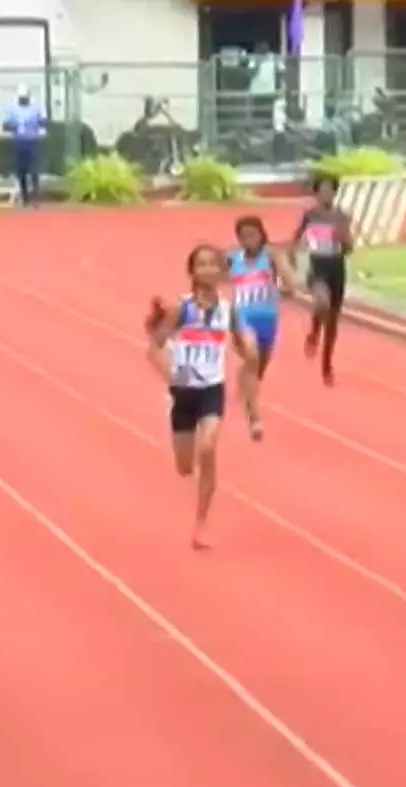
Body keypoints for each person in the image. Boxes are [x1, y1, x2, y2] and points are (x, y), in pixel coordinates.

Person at [145, 244, 257, 550]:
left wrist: (249, 351)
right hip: (183, 394)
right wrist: (170, 374)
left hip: (211, 390)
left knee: (208, 448)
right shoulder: (181, 310)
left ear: (222, 272)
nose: (207, 269)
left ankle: (202, 523)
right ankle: (191, 470)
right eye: (201, 264)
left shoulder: (228, 311)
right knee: (184, 468)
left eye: (213, 264)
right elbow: (154, 347)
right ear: (192, 272)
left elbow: (242, 343)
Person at [229, 215, 299, 440]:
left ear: (262, 235)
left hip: (267, 318)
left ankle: (247, 384)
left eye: (253, 234)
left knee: (259, 367)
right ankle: (254, 418)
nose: (248, 239)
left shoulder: (271, 256)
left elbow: (290, 280)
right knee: (252, 357)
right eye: (244, 236)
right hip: (241, 318)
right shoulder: (233, 259)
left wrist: (287, 285)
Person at [296, 175, 353, 386]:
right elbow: (297, 238)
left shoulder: (342, 216)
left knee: (332, 323)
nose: (326, 194)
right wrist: (292, 257)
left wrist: (343, 240)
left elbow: (349, 248)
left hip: (336, 268)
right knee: (322, 303)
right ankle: (313, 333)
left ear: (335, 193)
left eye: (330, 190)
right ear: (316, 193)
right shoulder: (310, 215)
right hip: (317, 267)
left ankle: (327, 365)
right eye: (322, 190)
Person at [2, 85, 47, 206]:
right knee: (21, 171)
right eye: (21, 98)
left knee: (34, 170)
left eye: (25, 98)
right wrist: (14, 126)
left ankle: (36, 196)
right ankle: (25, 196)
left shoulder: (36, 106)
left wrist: (39, 124)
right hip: (19, 141)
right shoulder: (12, 107)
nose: (23, 100)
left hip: (33, 141)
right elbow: (5, 125)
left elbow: (44, 121)